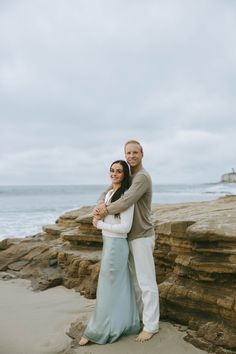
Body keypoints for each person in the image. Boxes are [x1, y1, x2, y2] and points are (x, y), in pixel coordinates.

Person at [94, 140, 159, 343]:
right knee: (135, 283)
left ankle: (151, 326)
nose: (131, 156)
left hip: (141, 235)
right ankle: (141, 319)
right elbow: (106, 192)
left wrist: (104, 210)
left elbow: (126, 201)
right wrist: (99, 204)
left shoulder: (141, 178)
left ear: (142, 154)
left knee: (146, 282)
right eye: (128, 152)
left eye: (135, 152)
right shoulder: (129, 176)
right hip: (127, 237)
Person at [79, 160, 140, 346]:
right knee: (117, 287)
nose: (114, 174)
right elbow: (103, 211)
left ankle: (98, 329)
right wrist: (98, 215)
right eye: (112, 171)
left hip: (117, 246)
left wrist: (100, 224)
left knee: (108, 288)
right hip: (109, 244)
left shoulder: (126, 198)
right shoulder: (109, 194)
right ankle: (125, 322)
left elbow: (125, 228)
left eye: (119, 171)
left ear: (125, 175)